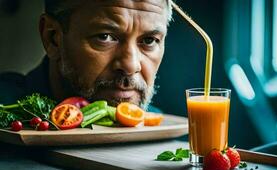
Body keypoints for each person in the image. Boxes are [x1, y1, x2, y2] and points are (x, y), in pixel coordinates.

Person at [0, 0, 173, 111]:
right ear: (52, 38)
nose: (131, 66)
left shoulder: (158, 127)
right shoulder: (5, 109)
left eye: (150, 40)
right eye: (105, 37)